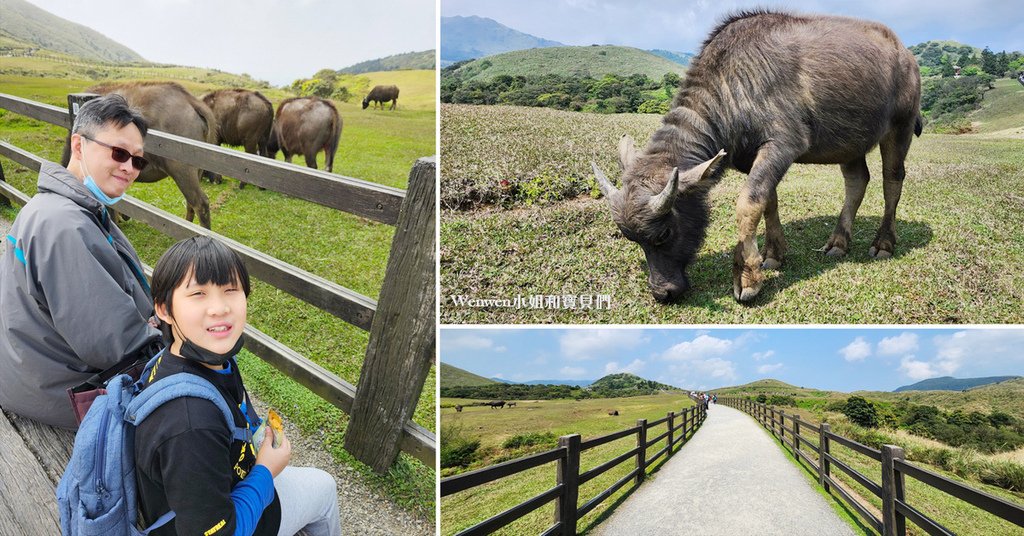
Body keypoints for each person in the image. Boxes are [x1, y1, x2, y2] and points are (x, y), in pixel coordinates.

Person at [135, 236, 341, 536]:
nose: (219, 308)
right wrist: (266, 471)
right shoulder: (190, 423)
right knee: (324, 487)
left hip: (207, 490)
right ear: (164, 310)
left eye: (230, 290)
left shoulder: (196, 359)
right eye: (198, 294)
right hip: (216, 519)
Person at [0, 94, 162, 429]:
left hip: (34, 370)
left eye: (138, 161)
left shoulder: (58, 207)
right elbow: (114, 346)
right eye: (118, 153)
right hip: (63, 393)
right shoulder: (64, 226)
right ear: (79, 145)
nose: (129, 168)